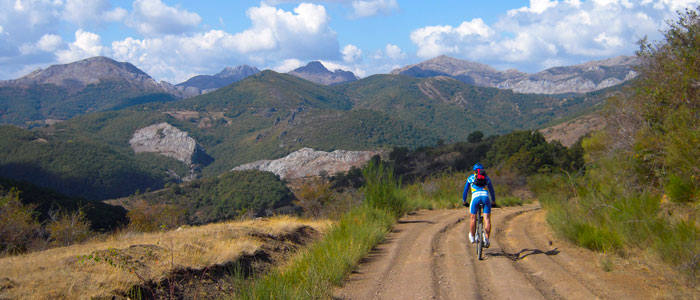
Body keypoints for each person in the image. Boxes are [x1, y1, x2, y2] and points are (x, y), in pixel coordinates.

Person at [462, 163, 496, 248]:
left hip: (475, 198)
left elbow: (465, 191)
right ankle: (487, 239)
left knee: (473, 218)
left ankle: (472, 237)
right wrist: (494, 201)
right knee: (487, 219)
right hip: (485, 197)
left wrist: (464, 201)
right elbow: (491, 190)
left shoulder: (470, 178)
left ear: (474, 170)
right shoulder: (487, 178)